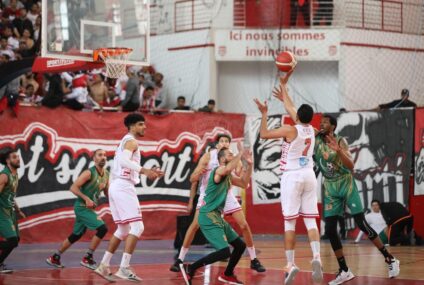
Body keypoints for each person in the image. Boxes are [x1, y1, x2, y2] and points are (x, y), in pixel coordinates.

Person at [313, 113, 400, 283]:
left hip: (346, 184)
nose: (321, 124)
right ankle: (344, 270)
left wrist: (339, 152)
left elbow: (351, 166)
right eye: (320, 122)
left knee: (361, 223)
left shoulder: (340, 141)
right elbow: (299, 117)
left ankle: (389, 258)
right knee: (330, 229)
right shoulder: (316, 138)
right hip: (330, 187)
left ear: (333, 126)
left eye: (325, 123)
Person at [255, 76, 323, 285]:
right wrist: (284, 86)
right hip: (309, 176)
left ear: (297, 117)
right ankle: (317, 257)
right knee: (311, 220)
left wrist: (265, 114)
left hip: (292, 176)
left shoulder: (289, 129)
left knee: (290, 222)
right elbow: (291, 106)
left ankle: (291, 264)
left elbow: (264, 134)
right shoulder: (313, 130)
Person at [170, 134, 265, 273]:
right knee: (195, 225)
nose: (225, 143)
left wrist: (247, 164)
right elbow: (193, 178)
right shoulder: (209, 157)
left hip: (225, 193)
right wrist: (196, 176)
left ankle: (253, 259)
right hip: (208, 194)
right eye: (222, 141)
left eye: (227, 141)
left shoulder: (232, 157)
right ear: (217, 144)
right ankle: (180, 259)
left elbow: (241, 178)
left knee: (244, 224)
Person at [95, 113, 164, 282]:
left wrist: (149, 170)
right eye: (141, 124)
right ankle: (124, 268)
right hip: (123, 186)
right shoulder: (132, 141)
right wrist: (145, 171)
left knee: (123, 230)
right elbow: (125, 162)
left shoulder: (125, 141)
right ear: (132, 126)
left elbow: (123, 164)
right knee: (138, 228)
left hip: (117, 185)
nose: (144, 127)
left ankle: (104, 265)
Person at [179, 143, 252, 285]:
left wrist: (249, 165)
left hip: (216, 216)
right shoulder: (218, 170)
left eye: (232, 154)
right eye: (230, 154)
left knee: (240, 246)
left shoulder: (228, 175)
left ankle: (228, 274)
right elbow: (229, 168)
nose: (232, 155)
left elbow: (243, 183)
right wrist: (241, 152)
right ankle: (191, 268)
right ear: (222, 159)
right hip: (207, 215)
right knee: (224, 252)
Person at [46, 149, 110, 270]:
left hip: (88, 209)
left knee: (76, 235)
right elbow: (73, 187)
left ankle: (55, 257)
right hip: (82, 208)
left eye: (105, 155)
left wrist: (116, 202)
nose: (103, 157)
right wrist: (86, 198)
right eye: (100, 155)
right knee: (102, 228)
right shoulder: (89, 173)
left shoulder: (106, 174)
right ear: (94, 158)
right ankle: (88, 257)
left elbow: (107, 192)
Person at [0, 149, 25, 273]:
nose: (18, 159)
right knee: (12, 241)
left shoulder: (14, 174)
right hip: (2, 212)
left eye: (18, 156)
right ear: (7, 161)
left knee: (15, 241)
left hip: (10, 212)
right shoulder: (4, 176)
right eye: (14, 157)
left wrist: (18, 210)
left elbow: (11, 195)